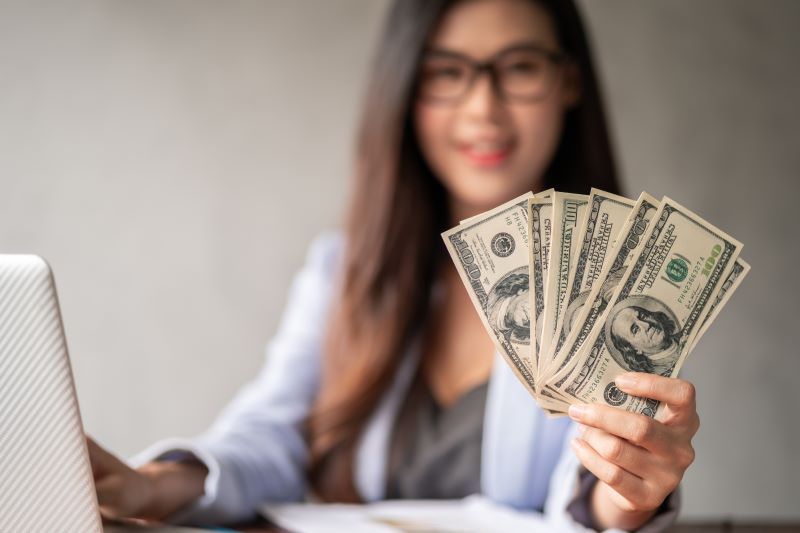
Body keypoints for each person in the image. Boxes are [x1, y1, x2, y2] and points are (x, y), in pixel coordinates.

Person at [87, 1, 700, 531]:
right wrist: (154, 487)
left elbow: (591, 489)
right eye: (446, 72)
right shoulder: (343, 272)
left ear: (568, 82)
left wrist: (628, 492)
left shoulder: (625, 294)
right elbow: (271, 434)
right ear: (405, 89)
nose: (483, 108)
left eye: (520, 67)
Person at [608, 302, 681, 376]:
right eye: (635, 330)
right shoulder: (656, 375)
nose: (647, 325)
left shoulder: (683, 335)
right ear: (634, 349)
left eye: (642, 316)